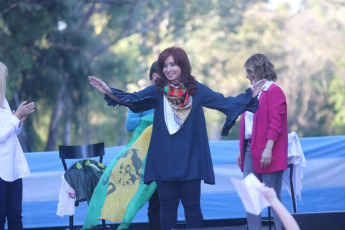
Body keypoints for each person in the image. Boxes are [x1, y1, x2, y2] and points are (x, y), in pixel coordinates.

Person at [89, 46, 265, 230]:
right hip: (164, 160)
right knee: (167, 208)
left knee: (192, 207)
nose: (168, 69)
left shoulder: (198, 90)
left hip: (191, 160)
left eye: (173, 64)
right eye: (164, 65)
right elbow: (132, 100)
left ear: (182, 65)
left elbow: (224, 103)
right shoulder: (156, 91)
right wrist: (109, 92)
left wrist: (249, 95)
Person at [237, 53, 288, 230]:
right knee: (251, 198)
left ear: (257, 71)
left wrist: (268, 149)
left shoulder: (274, 91)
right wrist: (242, 150)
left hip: (269, 149)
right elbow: (249, 125)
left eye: (249, 71)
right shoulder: (252, 94)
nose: (247, 76)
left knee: (272, 196)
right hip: (251, 150)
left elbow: (276, 123)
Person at [125, 61, 161, 230]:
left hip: (170, 155)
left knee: (170, 201)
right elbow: (129, 125)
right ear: (154, 77)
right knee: (154, 201)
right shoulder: (141, 98)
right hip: (147, 157)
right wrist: (152, 118)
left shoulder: (173, 97)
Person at [0, 61, 35, 230]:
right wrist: (15, 118)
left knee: (15, 217)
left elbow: (10, 132)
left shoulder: (4, 102)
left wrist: (18, 121)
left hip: (12, 168)